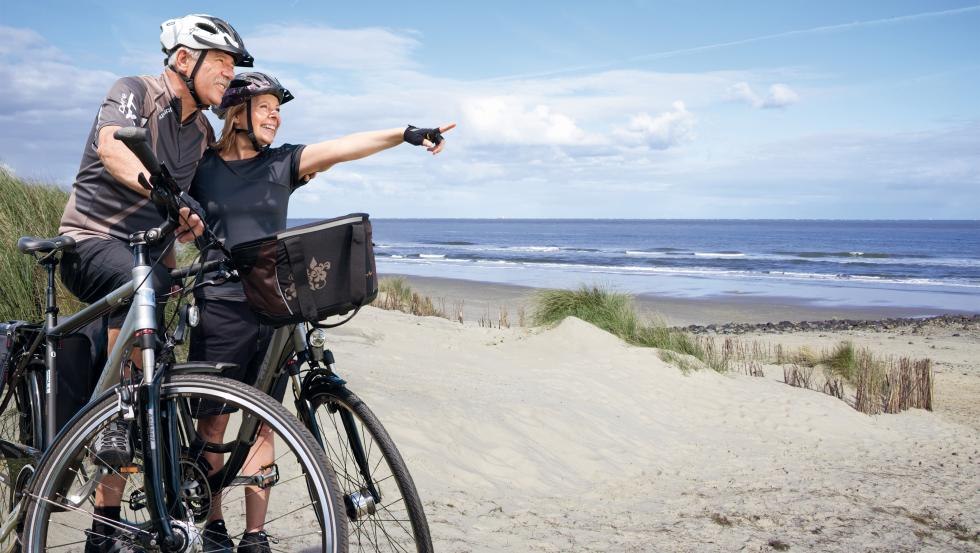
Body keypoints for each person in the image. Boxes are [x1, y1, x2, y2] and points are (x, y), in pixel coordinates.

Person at [187, 71, 454, 553]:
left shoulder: (283, 163)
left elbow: (346, 146)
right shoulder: (202, 167)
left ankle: (254, 535)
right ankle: (212, 526)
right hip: (218, 305)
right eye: (264, 106)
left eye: (278, 108)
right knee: (212, 424)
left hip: (273, 307)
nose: (275, 115)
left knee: (265, 420)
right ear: (237, 113)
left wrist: (405, 134)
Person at [56, 14, 253, 553]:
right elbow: (113, 148)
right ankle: (115, 423)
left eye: (234, 66)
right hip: (88, 242)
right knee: (145, 286)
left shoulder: (202, 131)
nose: (229, 75)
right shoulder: (134, 91)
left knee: (147, 390)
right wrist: (167, 195)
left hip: (148, 264)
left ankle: (105, 527)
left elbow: (227, 175)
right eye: (222, 63)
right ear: (183, 60)